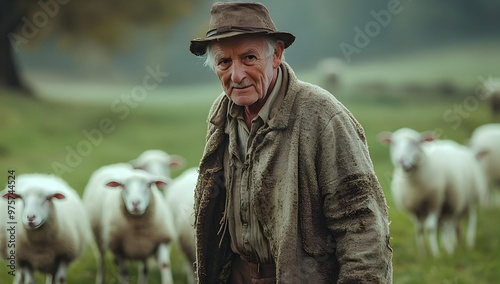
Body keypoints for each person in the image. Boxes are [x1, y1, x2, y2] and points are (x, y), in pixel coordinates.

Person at [190, 2, 393, 283]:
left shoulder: (321, 115)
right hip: (235, 274)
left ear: (277, 55)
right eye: (224, 62)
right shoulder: (222, 114)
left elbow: (362, 224)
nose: (236, 75)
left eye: (249, 58)